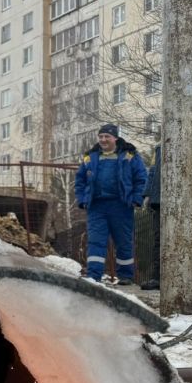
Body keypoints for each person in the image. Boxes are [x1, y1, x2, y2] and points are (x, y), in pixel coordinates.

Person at [74, 123, 147, 285]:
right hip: (96, 206)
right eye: (101, 137)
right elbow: (80, 181)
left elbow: (141, 178)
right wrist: (82, 199)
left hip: (121, 205)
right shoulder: (90, 157)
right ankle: (94, 276)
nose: (103, 140)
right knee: (96, 241)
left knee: (123, 241)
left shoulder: (129, 155)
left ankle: (126, 276)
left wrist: (136, 198)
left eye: (107, 136)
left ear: (115, 138)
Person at [140, 142, 162, 290]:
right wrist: (148, 194)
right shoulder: (160, 145)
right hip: (160, 199)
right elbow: (153, 171)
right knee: (159, 240)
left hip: (186, 198)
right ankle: (158, 277)